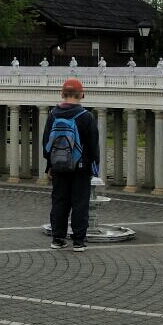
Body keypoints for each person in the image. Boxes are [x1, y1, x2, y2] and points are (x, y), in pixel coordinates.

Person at [42, 78, 100, 252]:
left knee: (59, 201)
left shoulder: (53, 115)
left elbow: (47, 143)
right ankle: (79, 241)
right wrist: (94, 168)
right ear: (82, 95)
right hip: (80, 167)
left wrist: (49, 165)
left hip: (59, 166)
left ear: (62, 94)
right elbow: (93, 145)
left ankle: (58, 239)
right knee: (80, 203)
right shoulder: (87, 117)